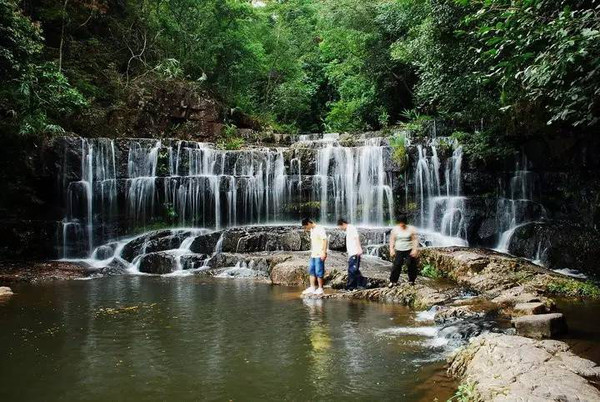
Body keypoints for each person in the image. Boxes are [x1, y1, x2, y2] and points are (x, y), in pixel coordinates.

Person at [388, 214, 419, 286]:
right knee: (397, 265)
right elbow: (392, 239)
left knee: (411, 264)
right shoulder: (395, 229)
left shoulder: (411, 229)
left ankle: (412, 280)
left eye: (403, 223)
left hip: (409, 249)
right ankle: (393, 281)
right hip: (399, 249)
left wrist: (415, 249)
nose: (401, 224)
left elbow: (415, 239)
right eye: (400, 223)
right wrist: (391, 249)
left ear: (405, 222)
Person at [301, 218, 328, 295]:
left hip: (320, 254)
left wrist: (324, 252)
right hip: (313, 254)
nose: (306, 229)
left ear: (309, 223)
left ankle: (320, 288)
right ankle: (312, 287)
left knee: (319, 271)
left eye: (306, 227)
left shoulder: (319, 228)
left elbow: (325, 240)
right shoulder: (312, 230)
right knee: (311, 270)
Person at [337, 218, 365, 290]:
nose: (340, 229)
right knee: (353, 270)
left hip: (355, 252)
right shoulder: (348, 229)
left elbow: (356, 238)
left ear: (343, 224)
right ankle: (359, 285)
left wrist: (359, 248)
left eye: (340, 227)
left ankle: (351, 286)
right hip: (351, 253)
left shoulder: (351, 228)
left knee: (352, 270)